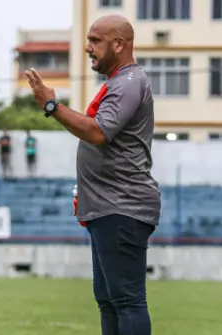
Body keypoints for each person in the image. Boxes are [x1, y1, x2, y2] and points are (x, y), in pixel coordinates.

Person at [24, 14, 160, 335]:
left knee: (127, 300)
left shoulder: (129, 82)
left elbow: (99, 132)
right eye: (88, 40)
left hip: (122, 205)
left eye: (95, 41)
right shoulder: (117, 83)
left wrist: (53, 106)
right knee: (109, 300)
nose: (87, 48)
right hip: (107, 205)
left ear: (120, 44)